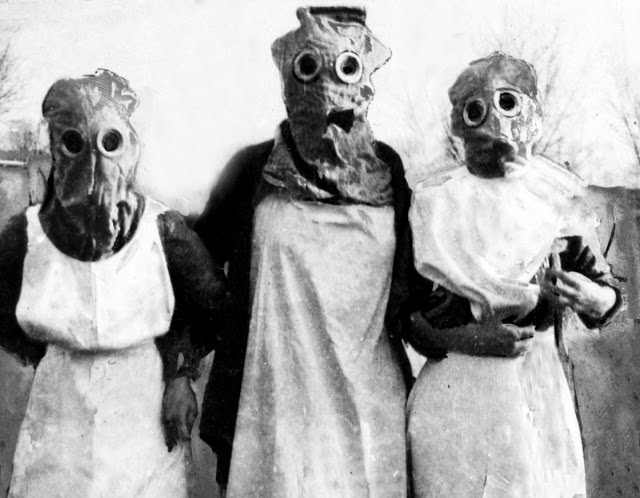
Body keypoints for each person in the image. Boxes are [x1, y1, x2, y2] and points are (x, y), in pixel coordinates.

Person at [171, 6, 415, 497]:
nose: (326, 87)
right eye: (309, 66)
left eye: (345, 66)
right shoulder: (253, 170)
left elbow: (419, 288)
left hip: (368, 413)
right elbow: (198, 273)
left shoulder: (388, 171)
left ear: (364, 75)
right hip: (270, 412)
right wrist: (181, 369)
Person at [0, 69, 226, 498]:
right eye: (74, 143)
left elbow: (211, 307)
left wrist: (180, 375)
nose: (94, 162)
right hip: (59, 410)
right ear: (56, 147)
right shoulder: (25, 235)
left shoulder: (164, 231)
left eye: (109, 142)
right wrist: (47, 352)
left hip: (140, 401)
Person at [406, 52, 621, 498]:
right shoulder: (434, 208)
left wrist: (594, 298)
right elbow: (406, 315)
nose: (495, 129)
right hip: (456, 392)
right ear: (460, 123)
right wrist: (465, 338)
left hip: (534, 389)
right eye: (477, 109)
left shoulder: (552, 200)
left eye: (508, 104)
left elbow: (605, 296)